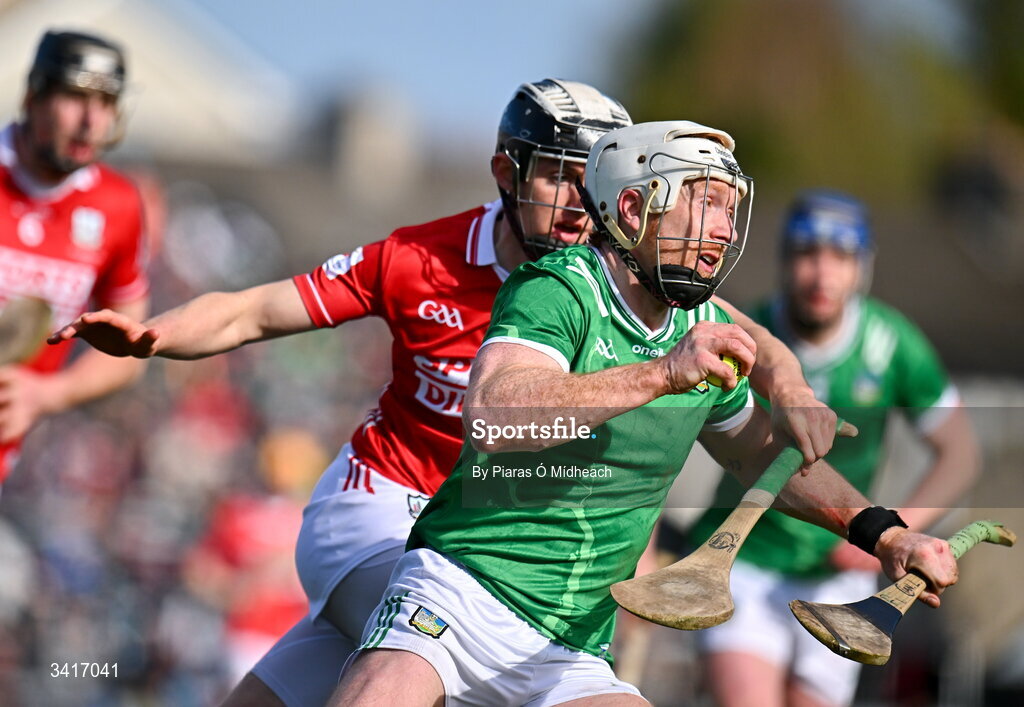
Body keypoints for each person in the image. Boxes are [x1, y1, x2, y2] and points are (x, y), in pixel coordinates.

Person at [329, 121, 961, 707]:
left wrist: (887, 533)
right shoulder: (561, 285)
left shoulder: (703, 325)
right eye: (705, 203)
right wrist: (660, 375)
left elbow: (762, 458)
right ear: (633, 210)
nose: (723, 227)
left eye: (730, 208)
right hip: (458, 599)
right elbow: (494, 417)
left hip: (572, 644)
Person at [690, 190, 981, 707]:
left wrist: (893, 534)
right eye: (806, 253)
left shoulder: (892, 345)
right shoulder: (745, 336)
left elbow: (960, 454)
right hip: (747, 562)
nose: (821, 275)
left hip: (836, 576)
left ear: (862, 268)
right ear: (784, 261)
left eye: (841, 257)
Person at [0, 30, 149, 484]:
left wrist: (48, 394)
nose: (90, 120)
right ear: (32, 96)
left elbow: (130, 347)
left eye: (105, 103)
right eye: (74, 96)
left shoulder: (117, 205)